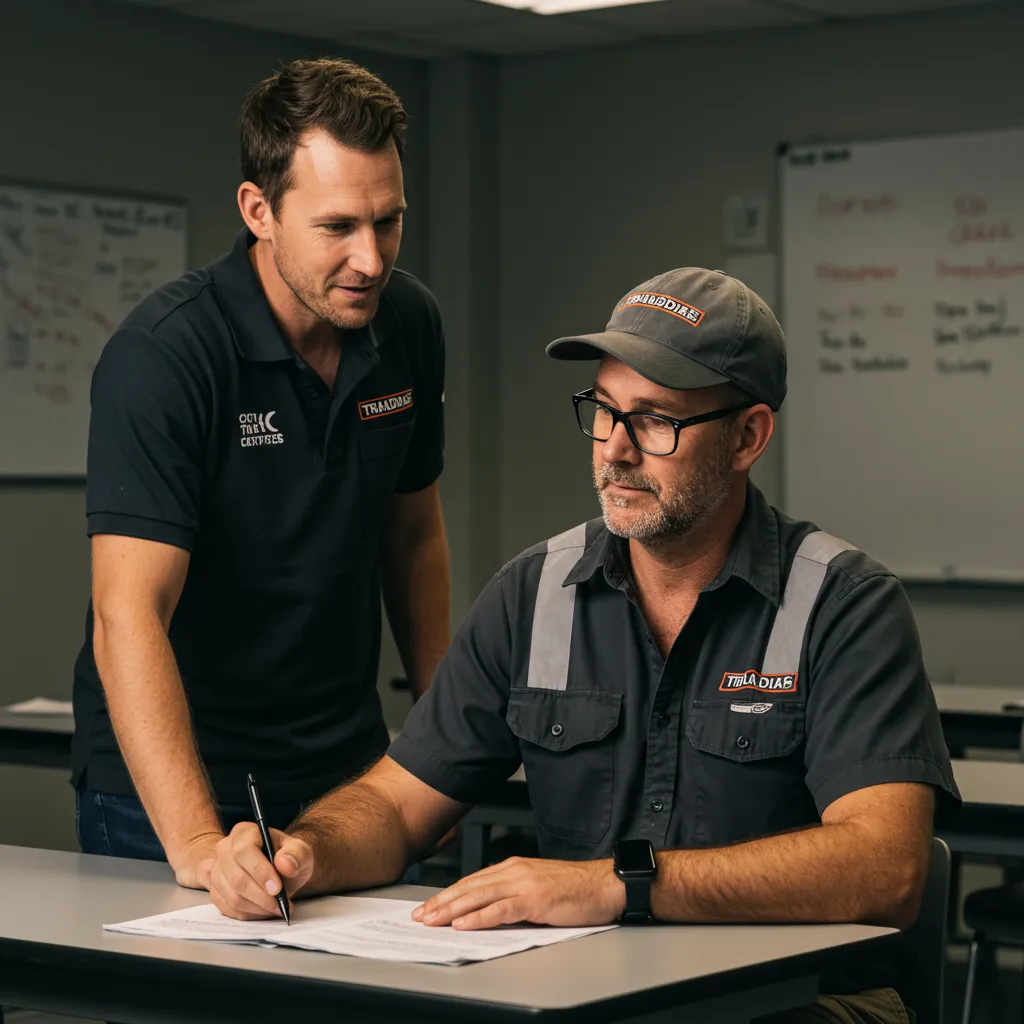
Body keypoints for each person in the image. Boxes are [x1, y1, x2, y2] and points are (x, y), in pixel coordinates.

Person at [209, 268, 959, 1022]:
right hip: (589, 997)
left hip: (809, 1003)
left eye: (656, 420)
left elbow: (885, 869)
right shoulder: (534, 593)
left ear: (747, 437)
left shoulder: (845, 605)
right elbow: (399, 805)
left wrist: (620, 884)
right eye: (603, 410)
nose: (617, 450)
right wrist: (305, 852)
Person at [71, 58, 450, 888]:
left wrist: (440, 737)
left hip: (346, 773)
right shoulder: (165, 355)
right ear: (259, 211)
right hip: (174, 785)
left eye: (388, 222)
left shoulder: (409, 325)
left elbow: (415, 538)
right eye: (337, 226)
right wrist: (197, 844)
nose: (370, 259)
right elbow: (127, 612)